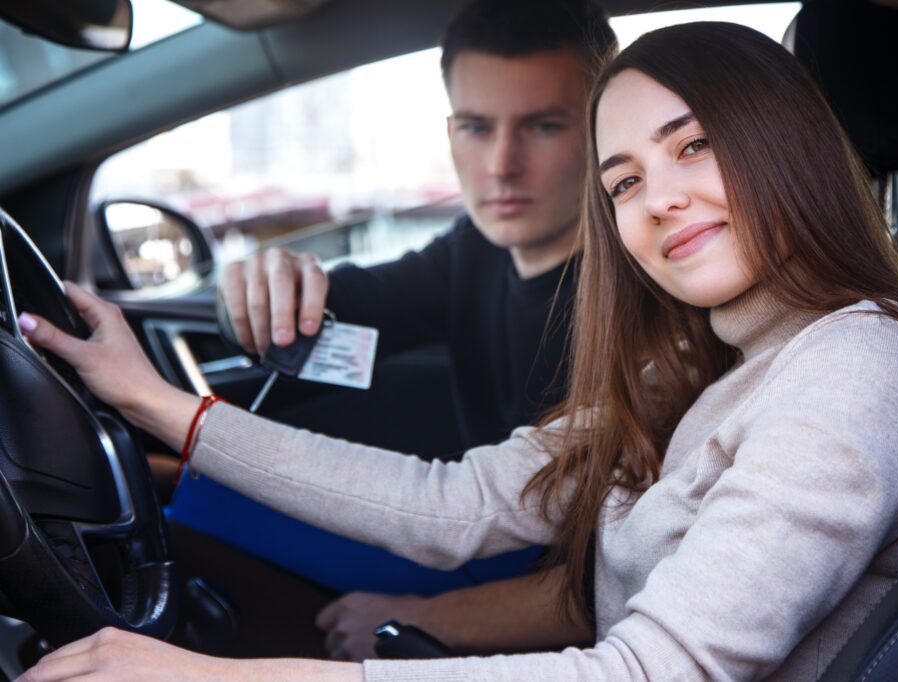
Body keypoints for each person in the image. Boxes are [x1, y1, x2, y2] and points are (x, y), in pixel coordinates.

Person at [17, 19, 898, 681]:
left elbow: (645, 672)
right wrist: (154, 402)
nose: (658, 199)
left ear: (785, 144)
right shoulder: (699, 363)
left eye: (693, 146)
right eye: (624, 181)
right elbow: (461, 503)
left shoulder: (857, 370)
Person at [211, 0, 617, 660]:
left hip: (547, 608)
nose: (501, 166)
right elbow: (345, 304)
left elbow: (617, 578)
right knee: (196, 498)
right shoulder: (473, 252)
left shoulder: (641, 299)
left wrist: (433, 618)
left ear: (603, 130)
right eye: (477, 127)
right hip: (471, 543)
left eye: (543, 126)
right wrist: (256, 292)